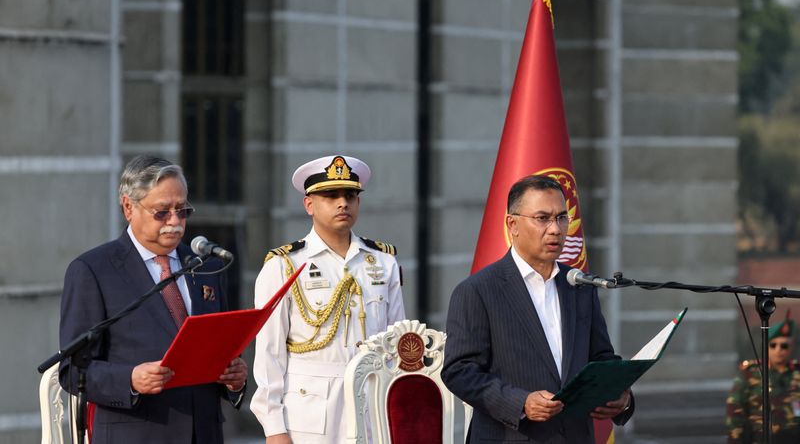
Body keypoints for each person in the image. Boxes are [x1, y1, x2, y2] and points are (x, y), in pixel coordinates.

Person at [59, 155, 248, 444]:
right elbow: (73, 371)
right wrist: (130, 380)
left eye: (182, 210)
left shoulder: (206, 266)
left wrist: (234, 379)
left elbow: (216, 349)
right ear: (128, 207)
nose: (175, 222)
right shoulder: (94, 270)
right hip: (136, 432)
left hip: (204, 432)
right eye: (162, 212)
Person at [442, 175, 634, 443]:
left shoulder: (579, 285)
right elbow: (459, 371)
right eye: (542, 218)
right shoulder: (478, 290)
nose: (555, 229)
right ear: (513, 224)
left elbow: (600, 356)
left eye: (561, 218)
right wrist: (520, 402)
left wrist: (621, 395)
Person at [251, 154, 406, 443]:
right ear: (309, 204)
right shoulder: (284, 265)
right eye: (330, 195)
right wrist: (274, 427)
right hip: (309, 412)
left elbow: (395, 345)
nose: (342, 203)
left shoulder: (383, 262)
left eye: (350, 195)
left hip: (372, 404)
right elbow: (269, 353)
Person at [726, 311, 800, 443]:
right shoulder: (750, 372)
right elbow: (735, 411)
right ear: (767, 346)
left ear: (792, 347)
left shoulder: (797, 373)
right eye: (773, 345)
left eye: (784, 346)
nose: (779, 350)